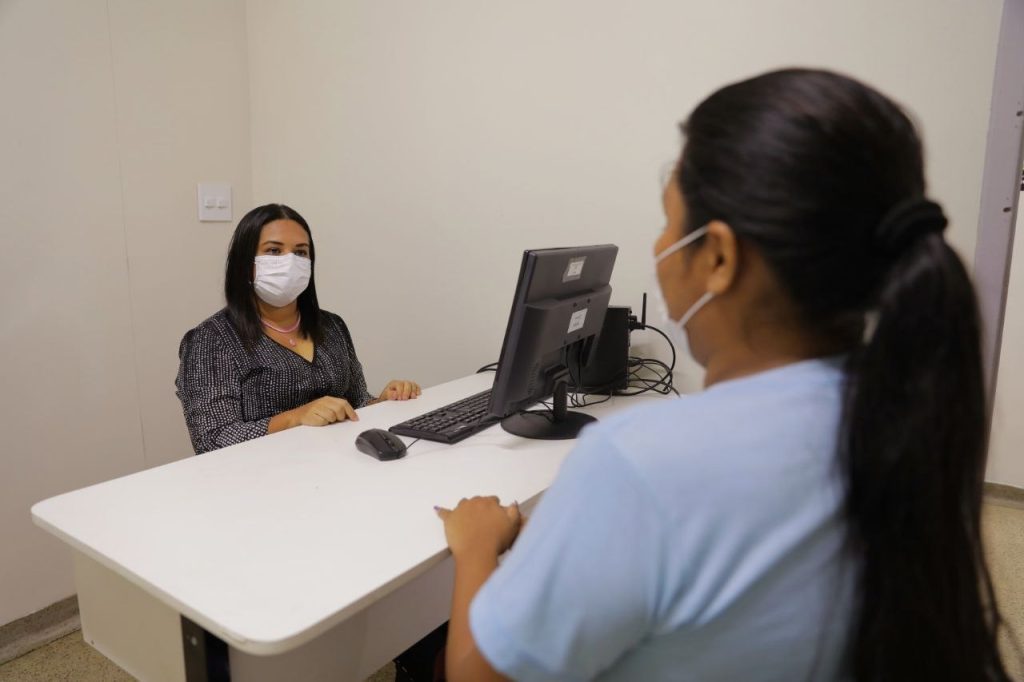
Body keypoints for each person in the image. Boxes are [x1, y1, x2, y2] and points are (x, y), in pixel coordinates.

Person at [435, 69, 1016, 681]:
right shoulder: (903, 415)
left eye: (667, 222)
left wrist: (476, 548)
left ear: (717, 256)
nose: (659, 246)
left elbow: (477, 677)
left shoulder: (640, 462)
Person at [176, 203, 421, 455]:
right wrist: (294, 418)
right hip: (263, 479)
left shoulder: (332, 326)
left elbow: (356, 402)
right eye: (273, 250)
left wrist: (382, 402)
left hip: (340, 466)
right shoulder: (211, 340)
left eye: (301, 252)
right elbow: (211, 439)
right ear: (244, 262)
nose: (290, 262)